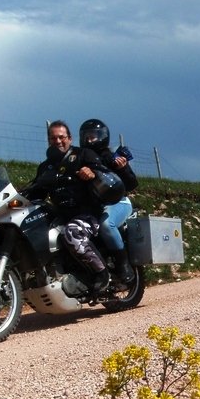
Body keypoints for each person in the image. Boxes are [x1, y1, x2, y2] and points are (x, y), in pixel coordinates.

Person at [28, 120, 111, 294]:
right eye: (53, 138)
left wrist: (92, 173)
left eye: (61, 137)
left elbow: (103, 173)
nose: (57, 141)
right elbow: (36, 191)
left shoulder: (84, 155)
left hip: (88, 213)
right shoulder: (45, 167)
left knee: (72, 231)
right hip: (61, 215)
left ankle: (102, 274)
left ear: (70, 138)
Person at [79, 118, 138, 284]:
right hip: (96, 206)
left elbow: (132, 184)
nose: (90, 140)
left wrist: (123, 168)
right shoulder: (81, 159)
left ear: (103, 136)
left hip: (119, 202)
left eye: (94, 136)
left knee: (106, 225)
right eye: (87, 136)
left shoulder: (112, 157)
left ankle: (123, 264)